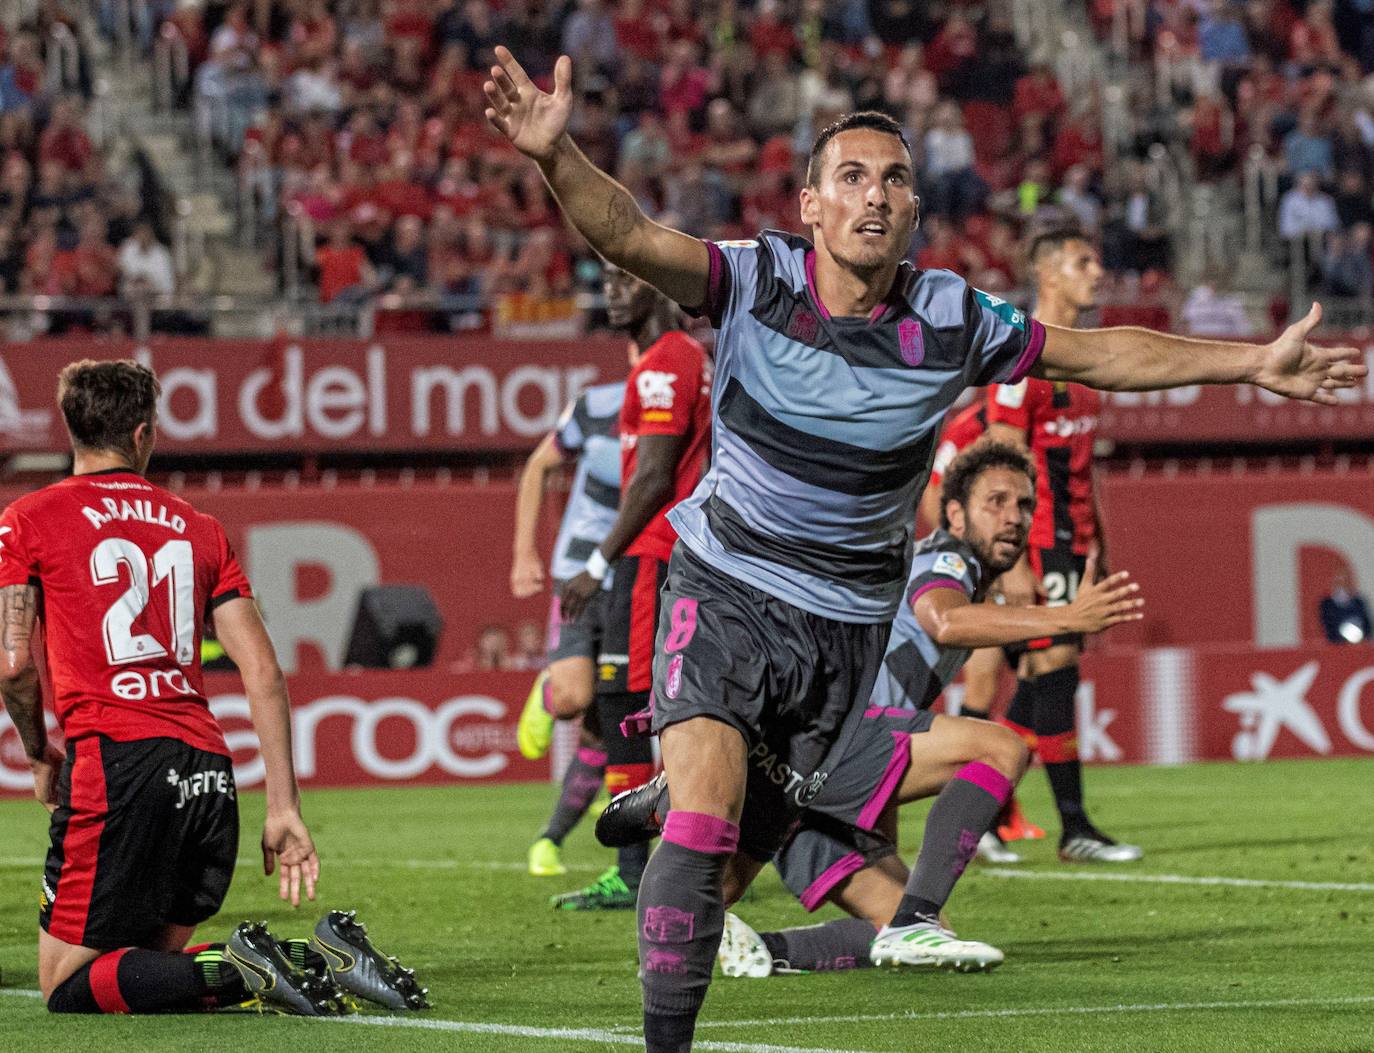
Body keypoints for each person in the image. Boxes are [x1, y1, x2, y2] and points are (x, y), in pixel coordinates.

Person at [481, 46, 1363, 1050]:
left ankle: (673, 790)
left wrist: (1254, 361)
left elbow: (1099, 353)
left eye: (894, 178)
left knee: (733, 861)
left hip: (848, 633)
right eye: (850, 176)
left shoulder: (950, 318)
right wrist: (556, 158)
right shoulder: (753, 279)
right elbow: (631, 233)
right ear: (809, 205)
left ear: (913, 210)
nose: (875, 195)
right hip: (726, 586)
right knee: (709, 819)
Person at [600, 443, 1143, 975]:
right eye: (996, 502)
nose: (1014, 518)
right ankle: (683, 798)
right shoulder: (946, 557)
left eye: (1025, 506)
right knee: (998, 748)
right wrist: (1067, 618)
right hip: (837, 739)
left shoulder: (965, 580)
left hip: (814, 766)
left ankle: (761, 945)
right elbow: (945, 622)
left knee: (713, 904)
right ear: (954, 512)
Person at [0, 361, 360, 1016]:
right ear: (143, 434)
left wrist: (34, 751)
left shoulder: (28, 518)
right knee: (145, 966)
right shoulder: (198, 525)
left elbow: (14, 663)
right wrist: (283, 806)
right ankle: (314, 957)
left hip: (117, 765)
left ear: (72, 428)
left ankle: (251, 962)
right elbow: (262, 670)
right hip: (207, 772)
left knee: (67, 983)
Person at [549, 264, 711, 911]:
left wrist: (596, 561)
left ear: (660, 286)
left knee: (625, 699)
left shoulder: (667, 363)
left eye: (626, 278)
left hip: (653, 551)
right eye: (607, 282)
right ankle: (663, 851)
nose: (612, 292)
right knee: (636, 701)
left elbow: (652, 477)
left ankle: (637, 863)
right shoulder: (676, 359)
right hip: (666, 549)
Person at [986, 226, 1140, 863]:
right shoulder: (1024, 357)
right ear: (1048, 274)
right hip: (1040, 543)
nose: (1097, 271)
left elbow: (1082, 466)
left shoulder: (1084, 361)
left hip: (1075, 545)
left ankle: (983, 803)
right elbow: (1001, 461)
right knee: (1054, 673)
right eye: (1083, 261)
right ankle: (1074, 826)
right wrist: (1014, 559)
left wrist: (1100, 542)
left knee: (1040, 682)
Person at [510, 363, 626, 879]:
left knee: (610, 727)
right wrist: (523, 554)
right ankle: (551, 688)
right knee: (577, 699)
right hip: (579, 570)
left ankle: (548, 841)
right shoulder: (596, 406)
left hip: (641, 574)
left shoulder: (698, 404)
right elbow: (538, 467)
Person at [1318, 569, 1371, 644]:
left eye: (1345, 582)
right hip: (1337, 646)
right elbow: (1328, 625)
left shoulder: (1359, 603)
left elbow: (1367, 624)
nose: (1342, 585)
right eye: (1339, 582)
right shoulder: (1327, 604)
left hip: (1358, 646)